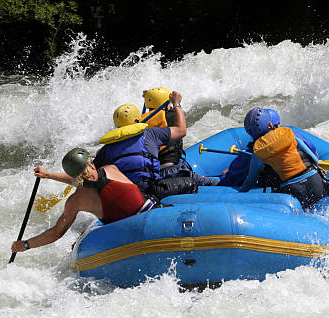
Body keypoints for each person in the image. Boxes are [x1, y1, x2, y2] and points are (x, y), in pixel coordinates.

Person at [38, 91, 198, 199]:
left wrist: (48, 175)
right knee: (193, 181)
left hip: (130, 196)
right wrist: (177, 104)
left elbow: (83, 177)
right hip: (154, 190)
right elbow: (181, 130)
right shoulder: (151, 134)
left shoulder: (106, 150)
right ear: (138, 120)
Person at [11, 148, 155, 253]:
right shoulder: (111, 169)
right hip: (152, 216)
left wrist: (25, 245)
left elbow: (56, 232)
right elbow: (91, 180)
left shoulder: (76, 200)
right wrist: (49, 175)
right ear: (91, 163)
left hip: (127, 234)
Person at [220, 107, 329, 209]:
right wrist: (317, 166)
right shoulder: (290, 133)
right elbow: (312, 153)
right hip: (316, 182)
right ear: (271, 124)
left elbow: (251, 179)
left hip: (293, 190)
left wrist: (240, 194)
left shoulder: (258, 150)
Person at [141, 87, 218, 186]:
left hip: (154, 175)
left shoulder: (142, 121)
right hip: (172, 171)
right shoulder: (171, 115)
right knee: (216, 183)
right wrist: (176, 104)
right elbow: (181, 129)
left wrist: (150, 97)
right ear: (166, 104)